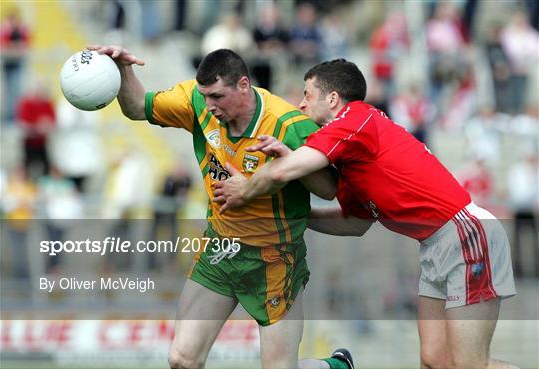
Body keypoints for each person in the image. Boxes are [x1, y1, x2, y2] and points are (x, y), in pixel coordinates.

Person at [214, 59, 518, 369]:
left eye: (307, 94)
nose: (301, 104)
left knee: (470, 365)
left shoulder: (355, 119)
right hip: (436, 244)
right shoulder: (350, 162)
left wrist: (245, 190)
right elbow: (355, 224)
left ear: (332, 99)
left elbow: (286, 171)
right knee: (434, 360)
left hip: (464, 233)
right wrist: (295, 218)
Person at [88, 45, 354, 369]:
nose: (209, 106)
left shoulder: (288, 123)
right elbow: (135, 108)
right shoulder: (196, 101)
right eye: (205, 96)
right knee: (182, 359)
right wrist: (122, 70)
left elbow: (329, 190)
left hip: (273, 258)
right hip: (220, 249)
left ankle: (336, 366)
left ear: (243, 85)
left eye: (217, 97)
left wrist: (288, 162)